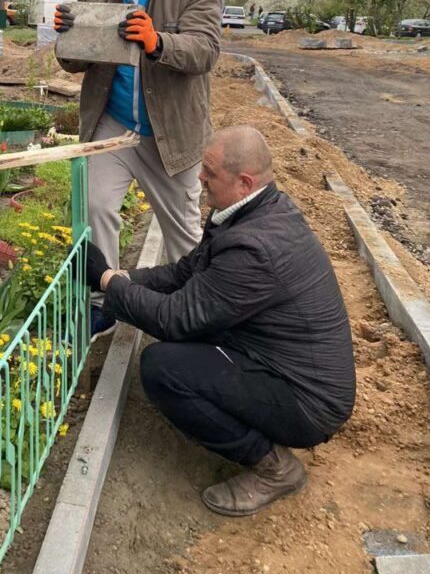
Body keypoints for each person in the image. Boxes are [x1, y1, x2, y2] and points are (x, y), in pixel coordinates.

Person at [85, 125, 356, 517]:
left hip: (306, 401)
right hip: (277, 359)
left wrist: (107, 281)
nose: (199, 177)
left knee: (163, 369)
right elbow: (184, 275)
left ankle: (274, 467)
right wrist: (121, 278)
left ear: (244, 182)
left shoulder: (255, 248)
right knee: (194, 333)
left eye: (209, 172)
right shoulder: (249, 213)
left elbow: (176, 319)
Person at [54, 0, 221, 338]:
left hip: (171, 134)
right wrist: (66, 35)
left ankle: (195, 310)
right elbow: (73, 62)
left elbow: (204, 51)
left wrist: (157, 41)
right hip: (113, 127)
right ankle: (105, 302)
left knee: (183, 231)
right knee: (94, 210)